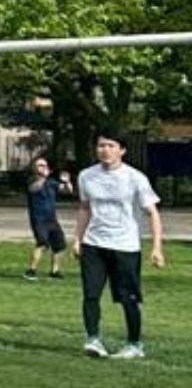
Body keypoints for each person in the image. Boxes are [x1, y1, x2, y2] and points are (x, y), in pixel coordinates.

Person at [73, 130, 164, 359]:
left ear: (121, 150)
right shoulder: (86, 176)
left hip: (125, 246)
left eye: (111, 146)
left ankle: (134, 344)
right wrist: (77, 239)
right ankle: (93, 339)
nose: (105, 150)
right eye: (101, 145)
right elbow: (85, 208)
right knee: (90, 294)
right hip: (94, 244)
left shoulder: (135, 178)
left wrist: (156, 248)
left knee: (128, 298)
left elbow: (152, 213)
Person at [22, 155, 72, 282]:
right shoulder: (31, 180)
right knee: (42, 243)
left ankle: (54, 272)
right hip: (38, 218)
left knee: (60, 245)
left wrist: (66, 182)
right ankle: (31, 271)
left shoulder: (51, 182)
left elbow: (67, 191)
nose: (43, 167)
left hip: (52, 219)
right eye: (40, 165)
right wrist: (44, 177)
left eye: (45, 165)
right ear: (34, 168)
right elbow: (34, 188)